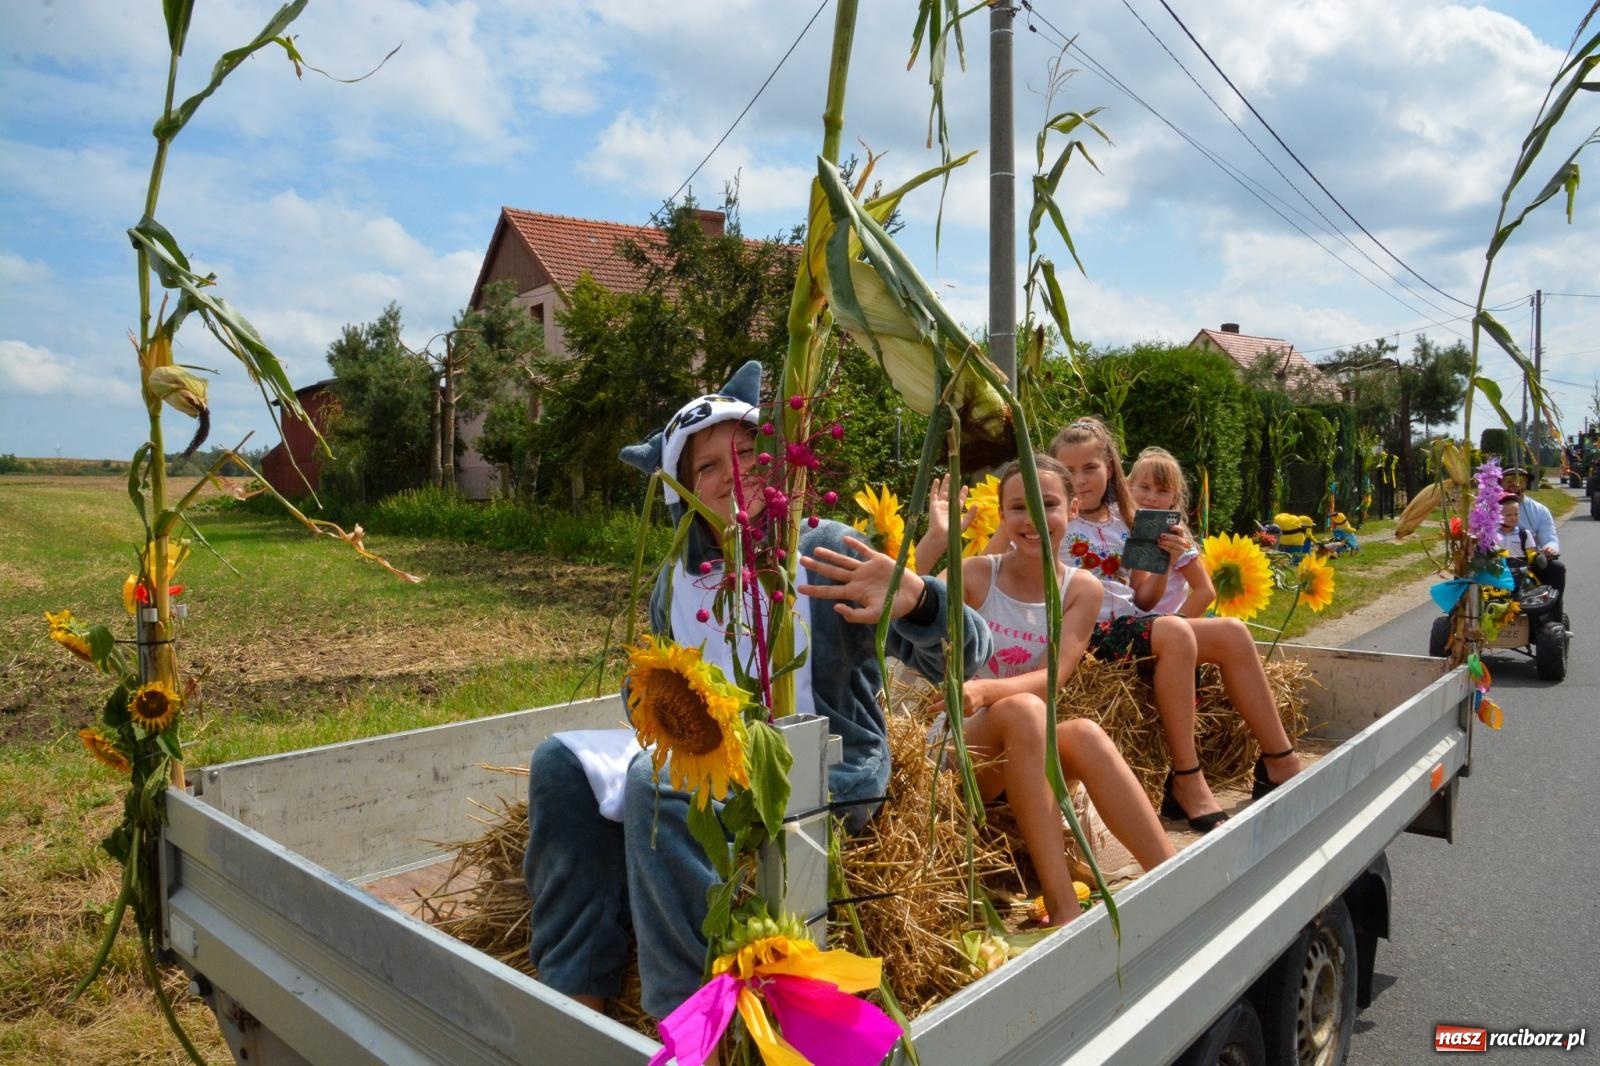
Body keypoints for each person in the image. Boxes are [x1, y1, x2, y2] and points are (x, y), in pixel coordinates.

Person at [522, 362, 991, 1020]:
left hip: (824, 767)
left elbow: (967, 656)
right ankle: (576, 994)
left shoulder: (824, 549)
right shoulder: (675, 583)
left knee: (657, 786)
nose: (734, 474)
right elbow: (660, 692)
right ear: (681, 491)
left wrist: (916, 598)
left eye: (745, 452)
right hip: (714, 760)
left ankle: (689, 1020)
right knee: (559, 765)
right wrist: (654, 702)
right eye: (708, 466)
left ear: (773, 458)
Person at [922, 458, 1175, 924]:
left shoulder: (1080, 589)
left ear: (1072, 509)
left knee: (1084, 733)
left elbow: (1052, 679)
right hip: (962, 748)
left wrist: (986, 689)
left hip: (1026, 741)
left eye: (1048, 505)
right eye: (1019, 507)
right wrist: (937, 542)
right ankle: (1063, 907)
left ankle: (1177, 879)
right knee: (1023, 709)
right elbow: (904, 605)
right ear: (1002, 515)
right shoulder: (976, 575)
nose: (1033, 519)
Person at [1050, 417, 1305, 832]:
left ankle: (1280, 760)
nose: (1080, 480)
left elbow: (1144, 599)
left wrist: (1166, 563)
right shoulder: (1056, 517)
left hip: (1132, 626)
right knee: (1173, 629)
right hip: (1086, 634)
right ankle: (1187, 776)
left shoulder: (1132, 520)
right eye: (1069, 470)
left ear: (1110, 468)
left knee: (1232, 632)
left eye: (1090, 468)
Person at [1126, 447, 1216, 617]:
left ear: (1174, 497)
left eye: (1163, 491)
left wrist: (1175, 625)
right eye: (1145, 487)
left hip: (1161, 624)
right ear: (1129, 487)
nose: (1152, 497)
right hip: (1121, 622)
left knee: (1233, 627)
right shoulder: (1117, 526)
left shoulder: (1176, 536)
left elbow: (1205, 591)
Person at [1500, 466, 1565, 601]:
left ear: (1526, 483)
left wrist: (1549, 548)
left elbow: (1549, 538)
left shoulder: (1540, 510)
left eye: (1520, 480)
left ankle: (1554, 612)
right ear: (1500, 483)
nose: (1515, 484)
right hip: (1494, 565)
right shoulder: (1487, 508)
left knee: (1556, 569)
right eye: (1509, 480)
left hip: (1529, 563)